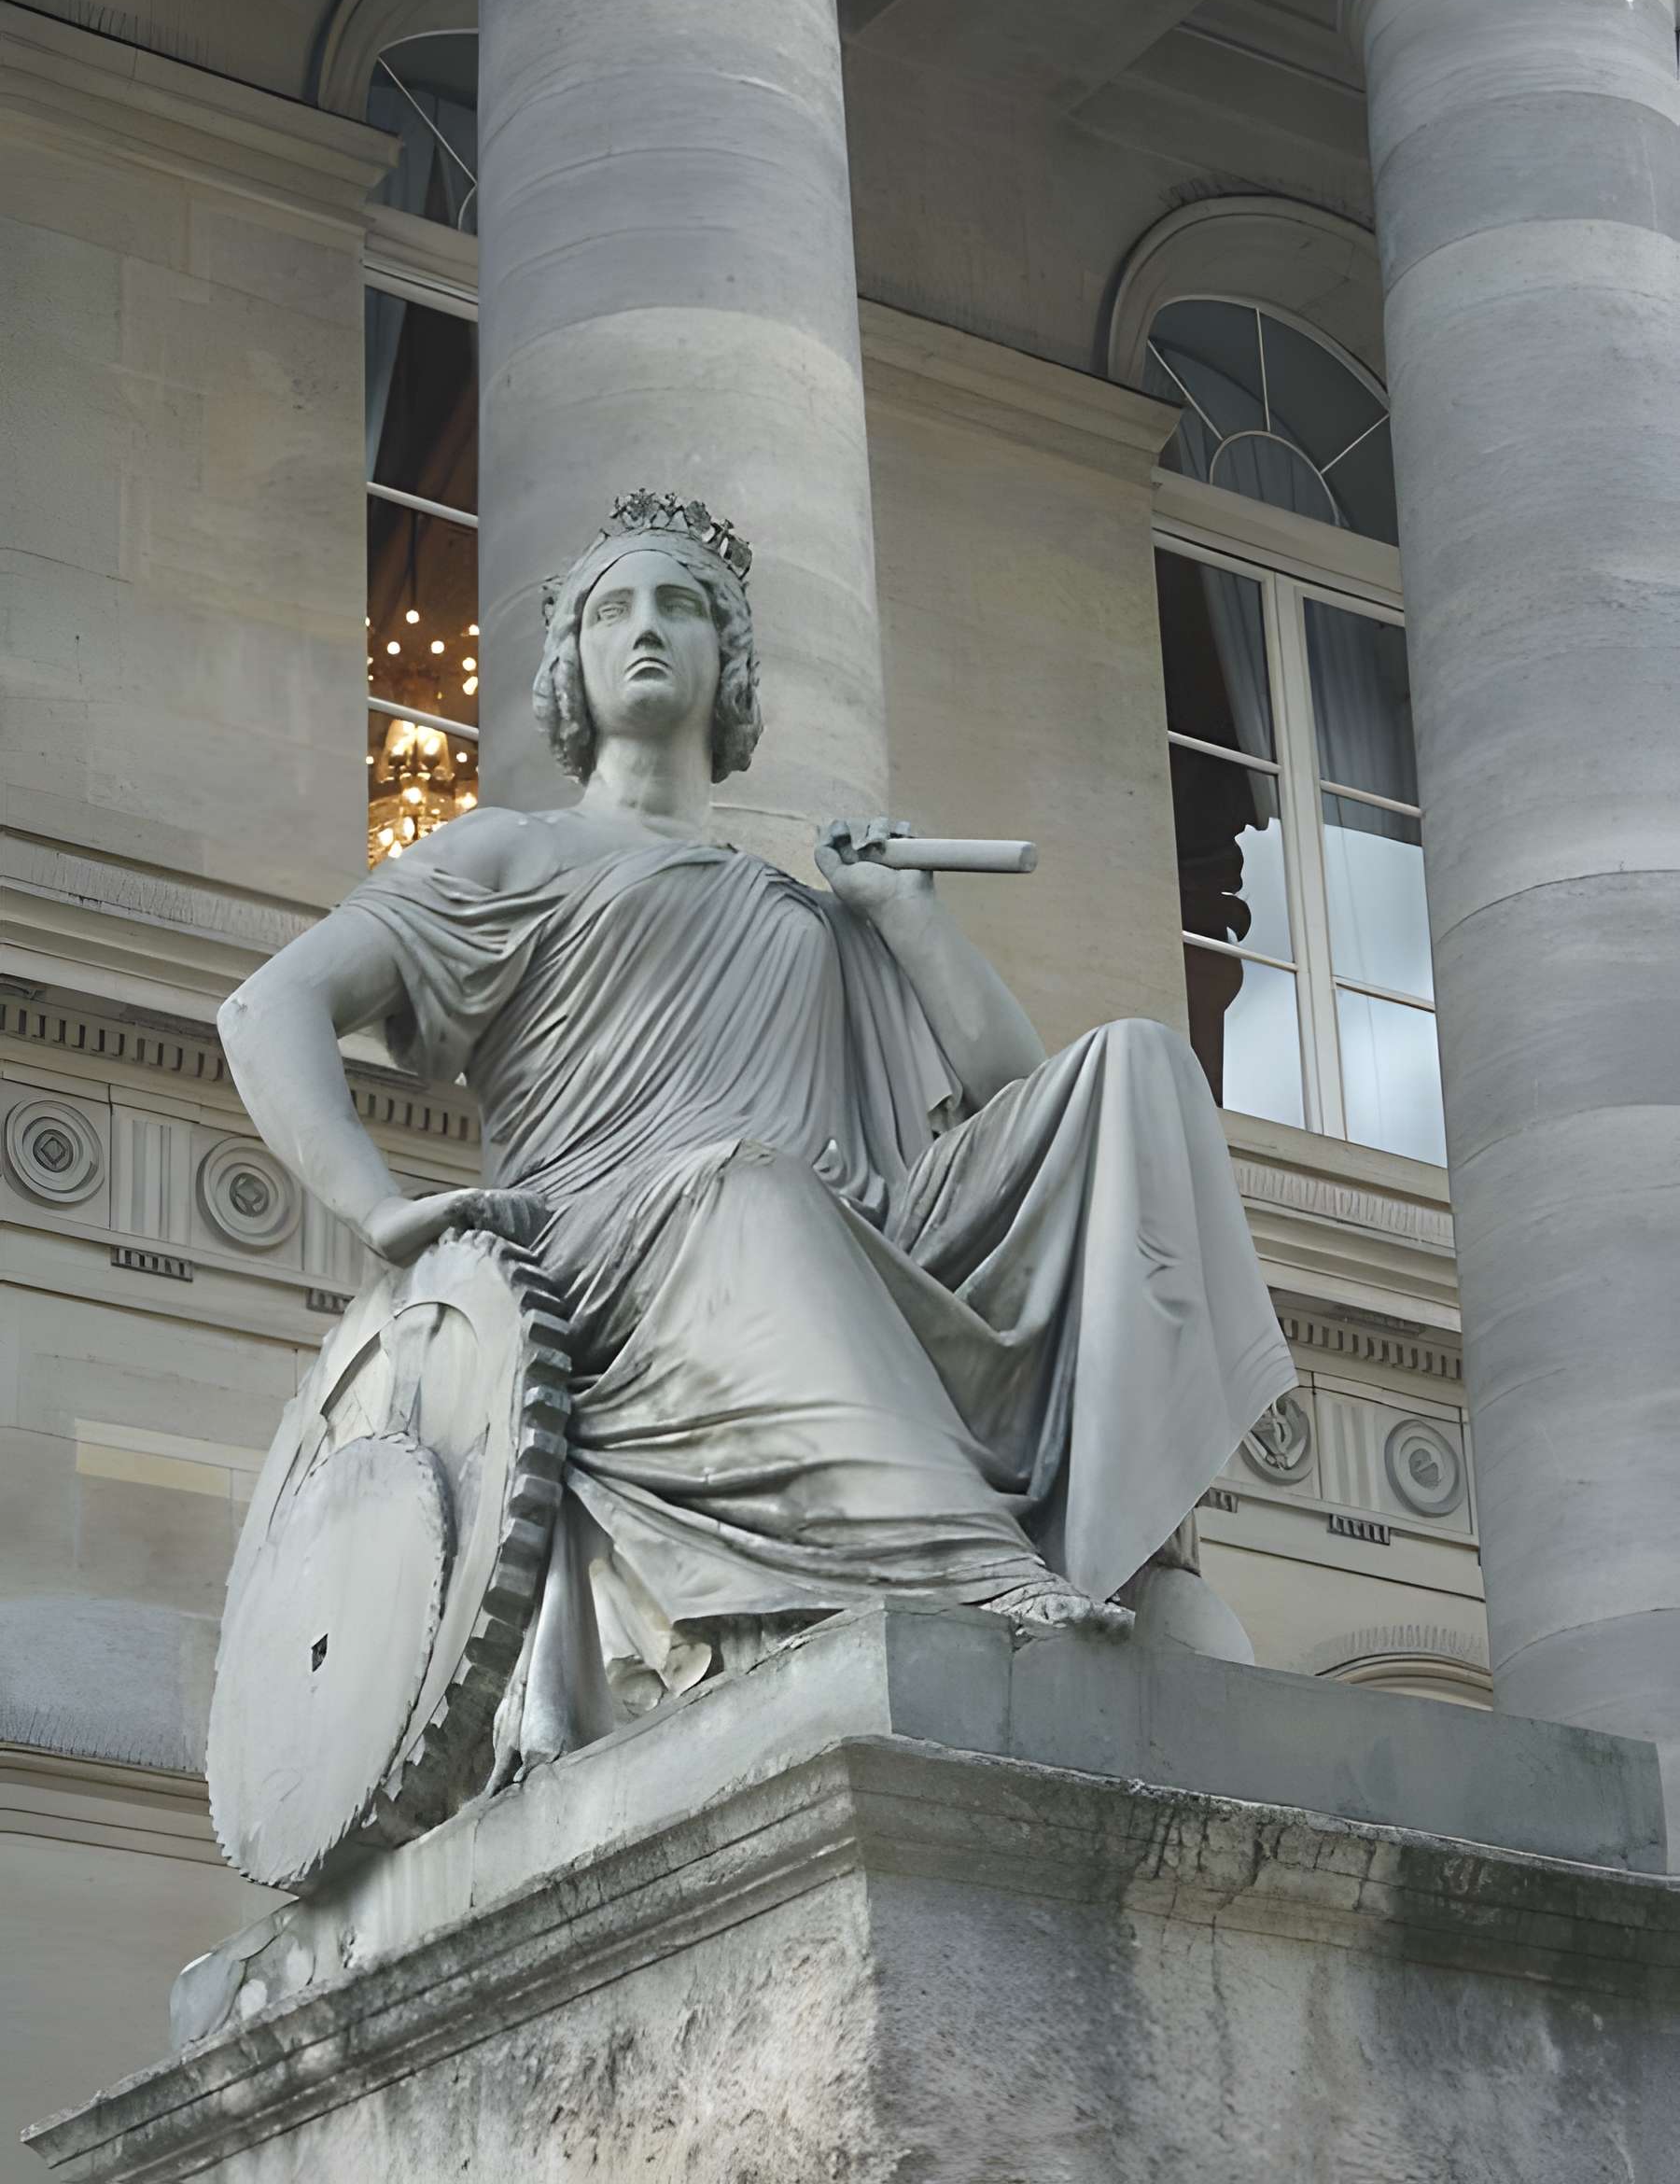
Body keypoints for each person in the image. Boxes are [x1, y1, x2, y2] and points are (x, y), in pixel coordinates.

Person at [218, 493, 1294, 1761]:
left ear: (731, 662)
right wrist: (379, 1207)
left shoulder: (802, 909)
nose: (648, 629)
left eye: (682, 605)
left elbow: (1013, 1090)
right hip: (616, 1251)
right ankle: (968, 1567)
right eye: (611, 610)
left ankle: (1125, 1526)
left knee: (1141, 1067)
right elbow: (268, 1005)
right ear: (568, 667)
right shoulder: (507, 853)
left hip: (832, 1231)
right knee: (746, 1185)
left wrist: (902, 911)